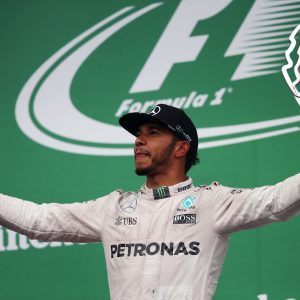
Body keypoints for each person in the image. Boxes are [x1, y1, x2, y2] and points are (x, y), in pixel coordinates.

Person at [0, 104, 299, 300]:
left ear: (182, 147)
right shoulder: (112, 208)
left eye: (153, 133)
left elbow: (277, 201)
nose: (138, 141)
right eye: (138, 135)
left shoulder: (212, 203)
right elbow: (38, 221)